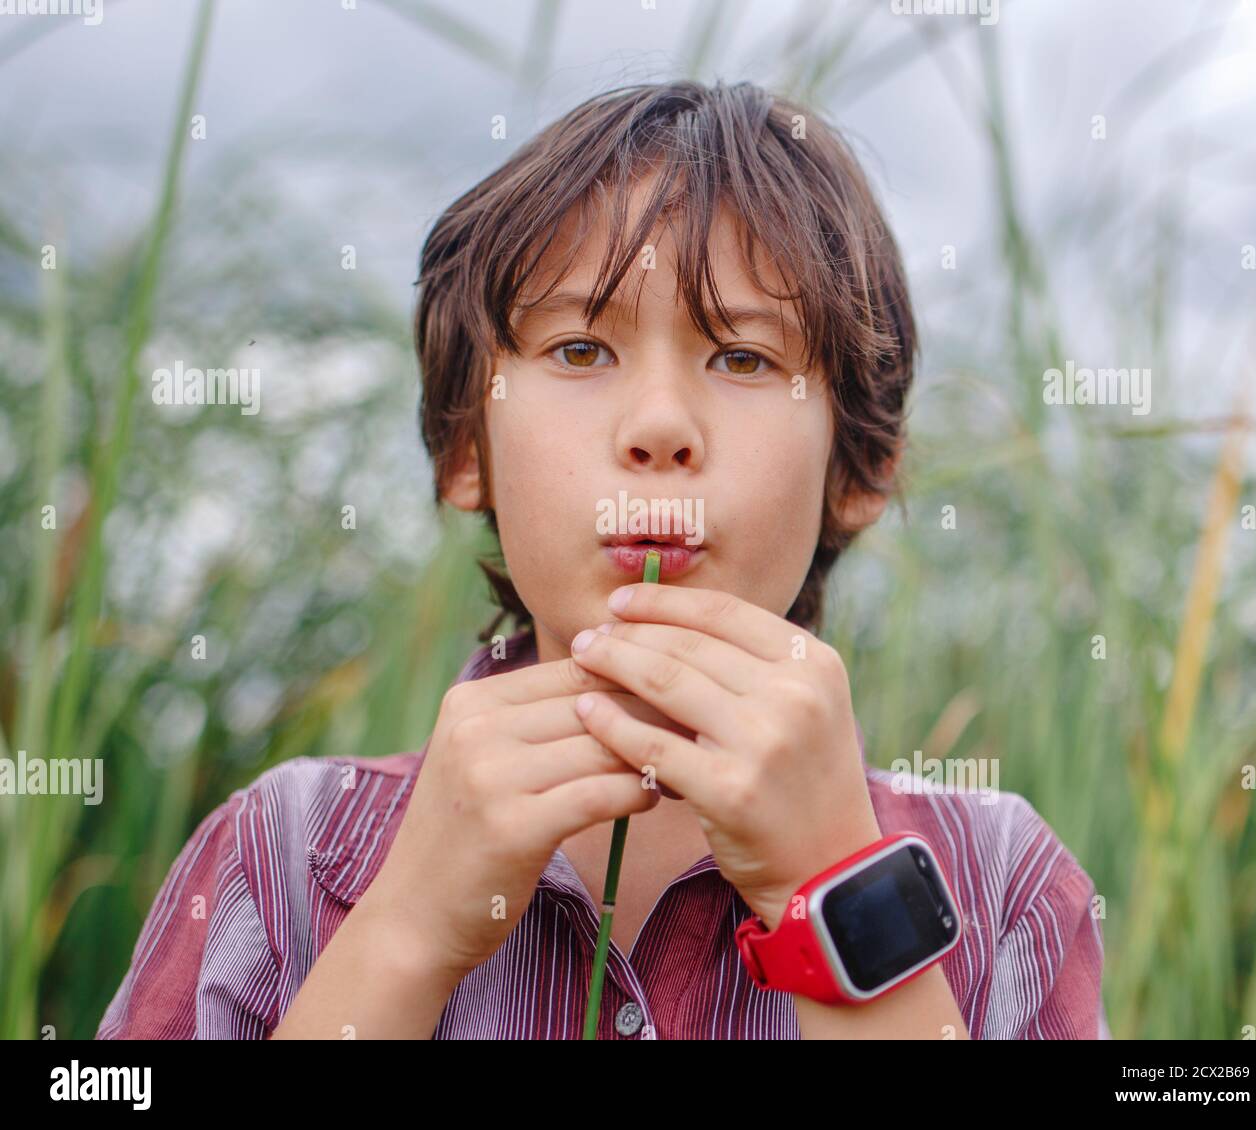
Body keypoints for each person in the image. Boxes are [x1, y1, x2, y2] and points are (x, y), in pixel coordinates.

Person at [98, 79, 1107, 1040]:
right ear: (463, 447)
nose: (660, 424)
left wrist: (835, 891)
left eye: (744, 357)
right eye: (580, 350)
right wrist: (406, 930)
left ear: (859, 465)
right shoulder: (281, 852)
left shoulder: (1000, 881)